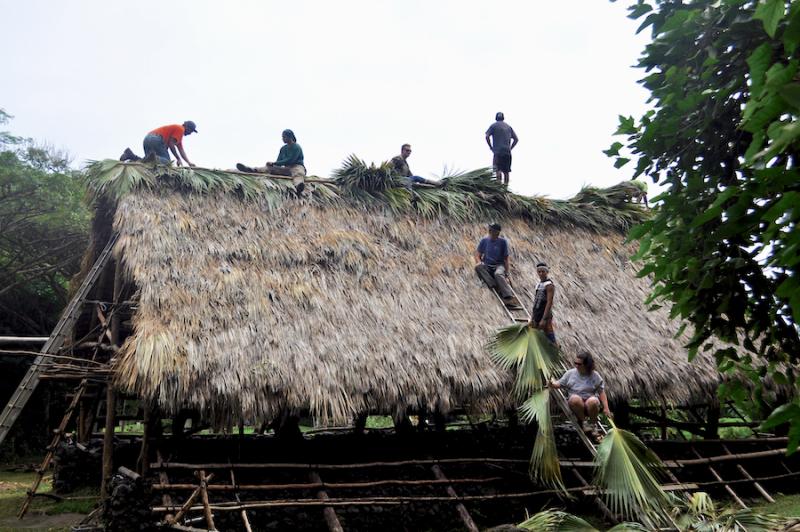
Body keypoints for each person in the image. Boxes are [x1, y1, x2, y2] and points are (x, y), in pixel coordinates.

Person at [550, 351, 612, 435]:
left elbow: (601, 391)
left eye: (579, 364)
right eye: (575, 363)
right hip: (576, 405)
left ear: (587, 364)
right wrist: (552, 384)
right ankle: (584, 422)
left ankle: (593, 424)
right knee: (575, 399)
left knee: (593, 401)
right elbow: (559, 384)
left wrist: (606, 407)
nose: (576, 366)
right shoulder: (570, 373)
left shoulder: (595, 375)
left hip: (590, 405)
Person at [237, 129, 306, 192]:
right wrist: (272, 165)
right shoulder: (283, 149)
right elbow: (279, 161)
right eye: (282, 137)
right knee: (269, 168)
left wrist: (274, 163)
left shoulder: (296, 147)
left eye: (284, 137)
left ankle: (298, 186)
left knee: (298, 174)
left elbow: (291, 160)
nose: (282, 139)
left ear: (289, 137)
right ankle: (250, 169)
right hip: (286, 168)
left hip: (296, 166)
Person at [474, 223, 522, 310]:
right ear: (489, 231)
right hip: (487, 265)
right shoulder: (484, 241)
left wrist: (507, 274)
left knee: (498, 274)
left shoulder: (503, 242)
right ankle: (495, 285)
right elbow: (477, 254)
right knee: (478, 267)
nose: (493, 233)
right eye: (492, 231)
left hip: (499, 265)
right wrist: (479, 262)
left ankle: (508, 296)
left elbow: (506, 259)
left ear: (498, 233)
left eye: (496, 232)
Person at [120, 121, 198, 167]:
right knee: (167, 162)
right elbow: (171, 144)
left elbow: (181, 150)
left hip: (147, 139)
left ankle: (130, 156)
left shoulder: (178, 137)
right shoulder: (180, 129)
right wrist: (178, 158)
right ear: (187, 127)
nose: (190, 133)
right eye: (191, 131)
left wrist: (189, 162)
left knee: (148, 164)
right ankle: (153, 158)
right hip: (157, 139)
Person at [485, 112, 518, 185]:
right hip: (507, 152)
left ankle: (499, 186)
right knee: (506, 171)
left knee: (498, 169)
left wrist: (491, 147)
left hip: (498, 151)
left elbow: (487, 136)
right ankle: (505, 188)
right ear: (503, 118)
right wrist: (510, 148)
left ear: (496, 118)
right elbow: (516, 139)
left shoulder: (493, 126)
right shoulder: (508, 127)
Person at [528, 262, 556, 343]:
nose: (541, 273)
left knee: (549, 334)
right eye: (539, 271)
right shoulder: (538, 284)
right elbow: (536, 301)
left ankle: (555, 350)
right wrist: (533, 316)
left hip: (544, 314)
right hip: (537, 312)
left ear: (547, 272)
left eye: (543, 271)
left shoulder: (549, 285)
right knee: (535, 335)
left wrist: (544, 319)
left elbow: (549, 302)